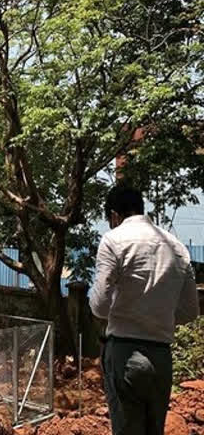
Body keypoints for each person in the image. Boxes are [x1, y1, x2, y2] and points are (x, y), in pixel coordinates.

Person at [89, 184, 199, 435]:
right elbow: (190, 311)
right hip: (162, 358)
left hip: (125, 353)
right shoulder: (177, 247)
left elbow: (100, 306)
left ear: (114, 215)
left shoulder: (113, 240)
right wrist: (157, 317)